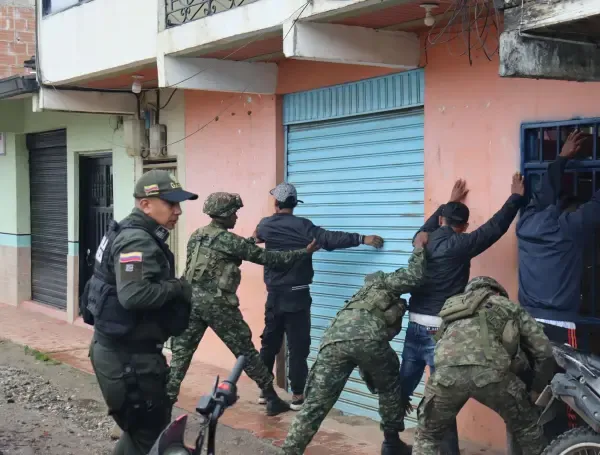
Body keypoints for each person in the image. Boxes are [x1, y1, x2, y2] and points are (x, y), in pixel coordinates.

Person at [399, 173, 527, 452]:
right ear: (465, 226)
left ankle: (389, 441)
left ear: (442, 220)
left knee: (401, 389)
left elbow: (427, 227)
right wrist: (516, 197)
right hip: (440, 331)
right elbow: (494, 228)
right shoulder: (462, 244)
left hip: (414, 325)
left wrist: (448, 203)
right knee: (443, 398)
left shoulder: (421, 239)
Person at [166, 192, 320, 417]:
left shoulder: (198, 235)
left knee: (180, 355)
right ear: (226, 214)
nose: (236, 217)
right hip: (217, 304)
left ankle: (162, 405)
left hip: (190, 302)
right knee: (245, 351)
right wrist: (304, 252)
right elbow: (270, 259)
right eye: (234, 213)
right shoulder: (229, 240)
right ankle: (271, 397)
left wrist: (250, 240)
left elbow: (226, 251)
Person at [281, 232, 429, 455]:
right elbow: (414, 276)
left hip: (333, 341)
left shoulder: (358, 297)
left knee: (314, 406)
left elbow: (357, 346)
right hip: (368, 342)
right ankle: (391, 443)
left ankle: (288, 451)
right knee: (390, 387)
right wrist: (419, 248)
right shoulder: (385, 283)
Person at [83, 170, 197, 455]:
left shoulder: (132, 233)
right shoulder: (136, 241)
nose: (178, 211)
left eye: (179, 204)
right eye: (171, 204)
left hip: (124, 352)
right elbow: (134, 295)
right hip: (128, 360)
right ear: (145, 204)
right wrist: (177, 288)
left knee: (141, 434)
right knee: (149, 435)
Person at [254, 182, 384, 410]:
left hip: (274, 297)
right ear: (294, 204)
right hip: (298, 297)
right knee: (298, 348)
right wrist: (362, 238)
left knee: (269, 344)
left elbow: (255, 239)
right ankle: (297, 396)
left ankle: (265, 392)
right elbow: (330, 238)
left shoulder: (266, 225)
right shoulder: (303, 226)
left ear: (276, 203)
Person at [517, 129, 600, 437]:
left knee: (533, 388)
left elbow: (541, 196)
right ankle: (570, 443)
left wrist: (561, 158)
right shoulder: (568, 228)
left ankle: (532, 442)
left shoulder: (525, 224)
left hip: (526, 321)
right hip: (560, 325)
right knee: (573, 389)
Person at [412, 276, 554, 455]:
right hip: (491, 375)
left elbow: (439, 342)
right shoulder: (508, 305)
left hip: (445, 377)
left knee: (427, 436)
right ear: (497, 292)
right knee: (527, 429)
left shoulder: (453, 307)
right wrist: (537, 388)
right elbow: (544, 350)